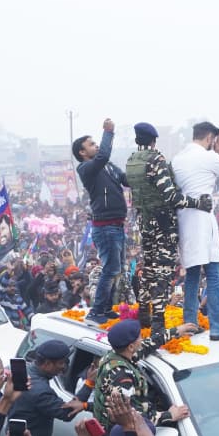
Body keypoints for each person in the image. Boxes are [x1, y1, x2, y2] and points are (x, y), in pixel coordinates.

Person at [125, 122, 212, 332]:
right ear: (154, 140)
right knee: (163, 271)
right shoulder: (156, 159)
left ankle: (144, 309)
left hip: (145, 221)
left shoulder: (131, 160)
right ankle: (158, 321)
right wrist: (197, 203)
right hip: (163, 222)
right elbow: (171, 196)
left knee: (148, 267)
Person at [172, 121, 219, 341]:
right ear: (211, 137)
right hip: (203, 219)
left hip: (184, 219)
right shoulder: (209, 156)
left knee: (192, 276)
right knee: (213, 275)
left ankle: (189, 324)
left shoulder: (177, 158)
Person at [93, 319, 197, 432]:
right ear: (131, 347)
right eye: (139, 337)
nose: (142, 339)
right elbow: (132, 418)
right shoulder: (121, 376)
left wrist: (176, 331)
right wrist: (170, 415)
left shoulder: (116, 354)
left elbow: (149, 344)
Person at [72, 118, 129, 325]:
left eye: (96, 142)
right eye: (91, 144)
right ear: (82, 153)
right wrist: (108, 133)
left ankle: (105, 308)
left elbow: (125, 179)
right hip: (104, 227)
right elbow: (103, 154)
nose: (96, 146)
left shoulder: (108, 166)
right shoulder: (87, 168)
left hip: (117, 224)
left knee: (118, 268)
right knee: (110, 269)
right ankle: (96, 312)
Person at [7, 340, 85, 436]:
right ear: (47, 364)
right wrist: (88, 384)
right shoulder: (41, 391)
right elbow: (67, 413)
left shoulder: (23, 371)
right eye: (61, 363)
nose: (64, 367)